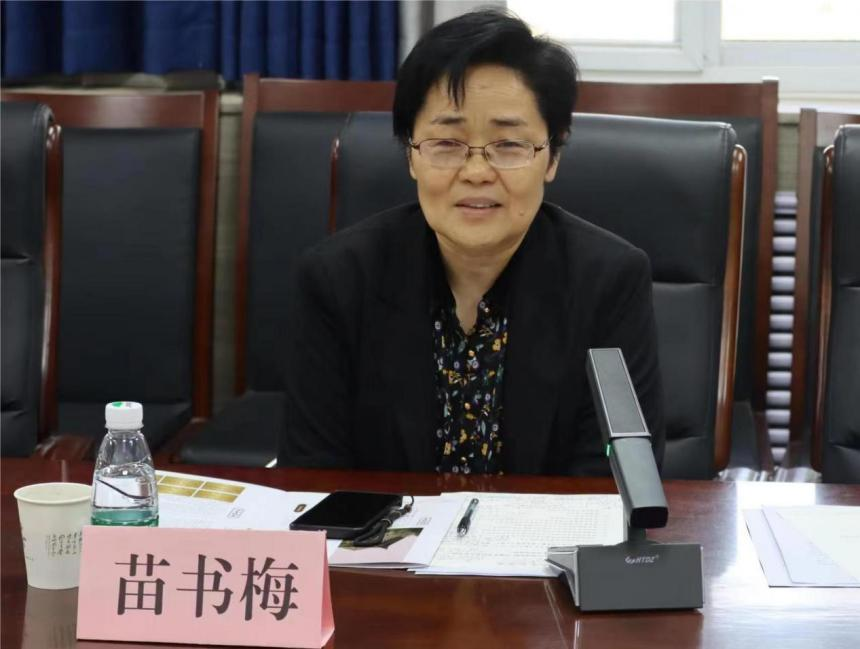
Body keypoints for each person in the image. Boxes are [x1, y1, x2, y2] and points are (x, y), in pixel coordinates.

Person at [280, 9, 664, 476]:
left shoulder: (608, 282)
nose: (477, 172)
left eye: (509, 145)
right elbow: (313, 476)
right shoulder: (337, 279)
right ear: (411, 156)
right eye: (446, 144)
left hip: (544, 528)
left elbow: (613, 481)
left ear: (552, 157)